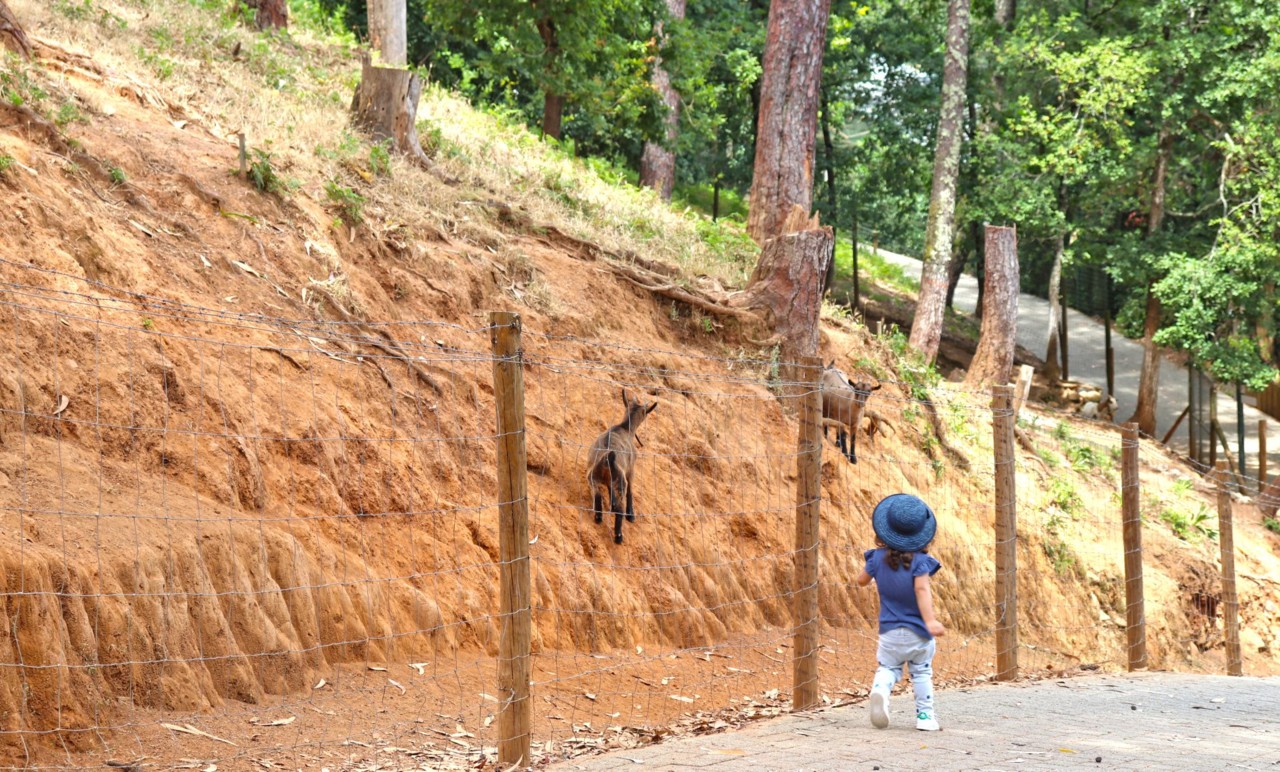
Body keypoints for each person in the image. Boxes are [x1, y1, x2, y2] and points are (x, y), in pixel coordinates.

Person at [855, 493, 945, 731]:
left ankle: (880, 690)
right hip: (918, 632)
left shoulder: (876, 558)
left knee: (888, 668)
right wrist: (930, 621)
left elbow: (861, 581)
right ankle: (925, 717)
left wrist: (873, 572)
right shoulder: (921, 562)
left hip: (889, 632)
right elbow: (921, 589)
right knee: (921, 672)